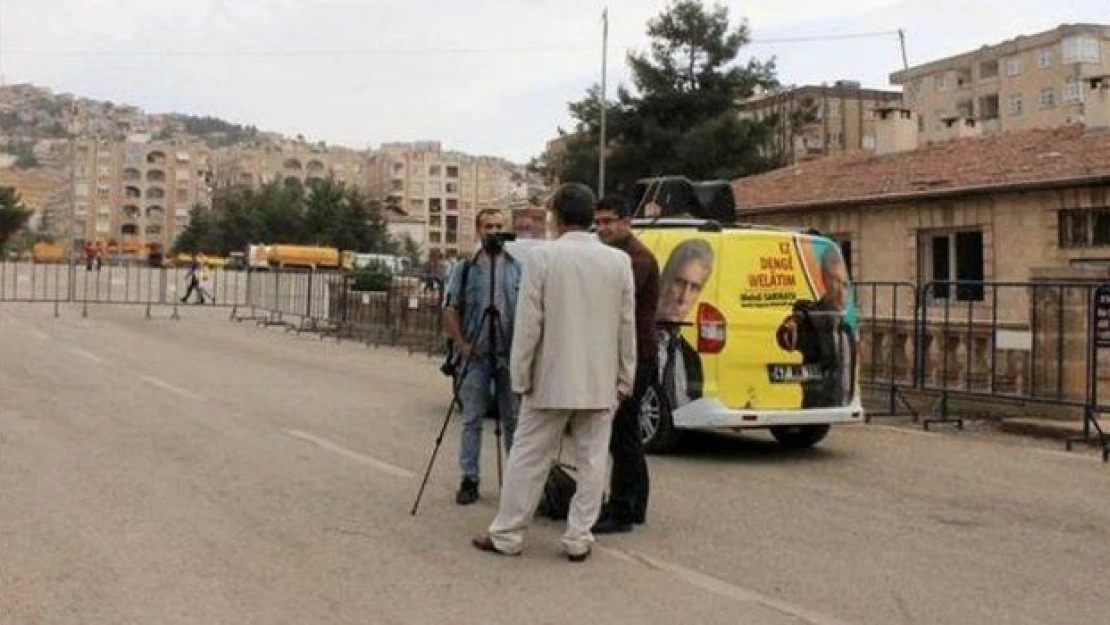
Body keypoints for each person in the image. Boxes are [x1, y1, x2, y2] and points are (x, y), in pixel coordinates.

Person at [471, 182, 635, 563]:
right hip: (599, 379)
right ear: (591, 216)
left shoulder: (543, 258)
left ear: (557, 218)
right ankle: (579, 537)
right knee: (593, 460)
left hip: (550, 377)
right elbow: (625, 325)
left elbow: (529, 324)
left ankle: (508, 533)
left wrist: (520, 375)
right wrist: (625, 376)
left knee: (528, 457)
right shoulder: (617, 261)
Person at [441, 209, 522, 505]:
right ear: (478, 230)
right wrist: (462, 344)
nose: (494, 231)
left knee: (513, 418)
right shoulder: (465, 268)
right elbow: (450, 309)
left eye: (499, 226)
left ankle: (517, 482)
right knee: (472, 418)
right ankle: (469, 478)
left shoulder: (517, 268)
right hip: (475, 354)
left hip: (509, 354)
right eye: (489, 226)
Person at [592, 194, 659, 534]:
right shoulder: (617, 256)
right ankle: (635, 505)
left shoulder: (636, 260)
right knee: (627, 432)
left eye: (609, 221)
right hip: (626, 354)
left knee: (622, 434)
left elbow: (615, 307)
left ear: (626, 221)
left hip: (636, 356)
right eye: (598, 222)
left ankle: (621, 509)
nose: (602, 228)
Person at [775, 245, 856, 408]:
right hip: (817, 401)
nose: (840, 289)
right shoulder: (812, 314)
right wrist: (790, 326)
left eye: (844, 283)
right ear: (824, 280)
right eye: (834, 280)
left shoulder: (847, 322)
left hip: (843, 400)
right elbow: (788, 334)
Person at [657, 239, 713, 409]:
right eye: (679, 282)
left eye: (694, 288)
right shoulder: (638, 343)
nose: (683, 298)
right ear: (664, 280)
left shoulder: (692, 359)